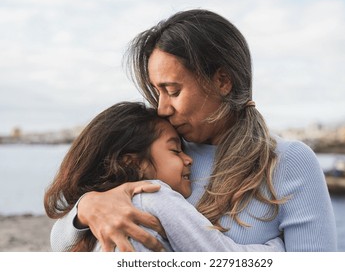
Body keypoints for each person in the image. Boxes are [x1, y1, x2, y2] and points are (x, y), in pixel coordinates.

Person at [50, 9, 337, 252]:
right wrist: (87, 208)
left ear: (222, 81)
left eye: (172, 90)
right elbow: (59, 242)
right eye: (157, 91)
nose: (162, 108)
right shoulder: (158, 150)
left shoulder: (288, 163)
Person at [44, 101, 285, 252]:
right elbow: (219, 256)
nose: (189, 159)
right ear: (134, 163)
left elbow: (61, 245)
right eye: (175, 150)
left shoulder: (100, 223)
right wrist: (276, 247)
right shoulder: (152, 195)